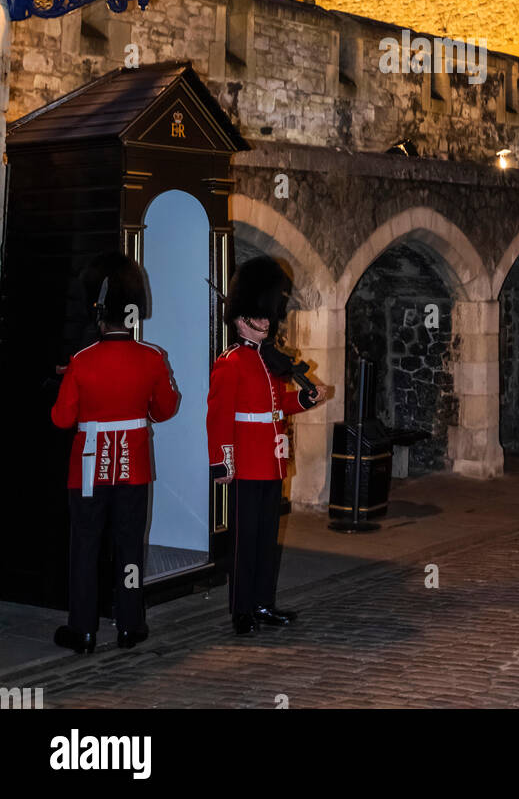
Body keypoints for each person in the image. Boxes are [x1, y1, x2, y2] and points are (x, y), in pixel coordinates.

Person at [51, 251, 180, 654]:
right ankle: (129, 624)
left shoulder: (82, 362)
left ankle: (83, 629)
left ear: (100, 314)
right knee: (129, 548)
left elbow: (61, 418)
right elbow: (166, 408)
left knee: (85, 549)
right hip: (134, 469)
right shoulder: (152, 358)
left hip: (88, 469)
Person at [207, 256, 328, 636]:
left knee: (266, 540)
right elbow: (219, 419)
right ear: (241, 318)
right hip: (247, 462)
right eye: (259, 316)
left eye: (268, 316)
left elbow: (279, 407)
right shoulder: (230, 363)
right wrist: (223, 464)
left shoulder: (270, 361)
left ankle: (263, 602)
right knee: (244, 542)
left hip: (273, 461)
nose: (266, 322)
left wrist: (308, 399)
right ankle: (242, 609)